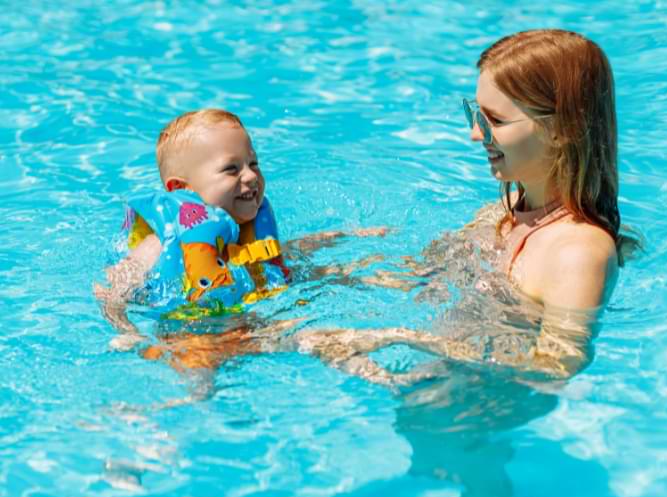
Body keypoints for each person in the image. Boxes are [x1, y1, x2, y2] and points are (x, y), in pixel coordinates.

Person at [302, 29, 636, 379]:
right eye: (476, 114)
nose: (476, 134)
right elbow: (421, 273)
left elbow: (554, 369)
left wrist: (399, 338)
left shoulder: (578, 254)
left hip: (488, 408)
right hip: (442, 376)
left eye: (496, 121)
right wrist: (325, 270)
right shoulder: (504, 209)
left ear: (562, 129)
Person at [94, 109, 388, 374]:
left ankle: (392, 376)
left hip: (256, 321)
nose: (251, 176)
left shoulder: (245, 228)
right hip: (195, 336)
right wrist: (127, 330)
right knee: (204, 369)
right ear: (182, 188)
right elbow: (113, 289)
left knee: (350, 284)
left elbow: (282, 253)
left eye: (254, 163)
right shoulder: (159, 244)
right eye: (231, 169)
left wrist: (342, 237)